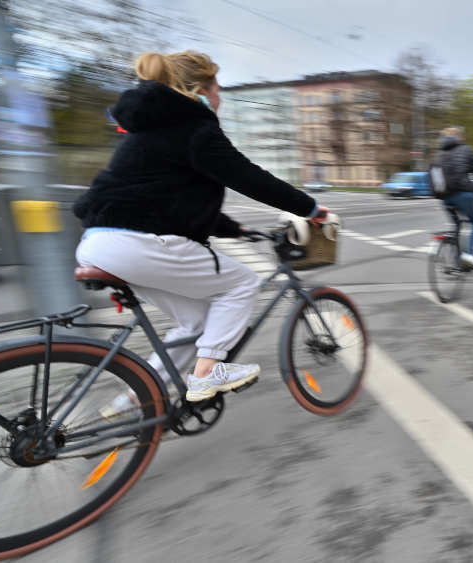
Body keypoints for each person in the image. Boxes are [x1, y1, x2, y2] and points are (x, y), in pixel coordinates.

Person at [73, 50, 328, 413]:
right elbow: (247, 177)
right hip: (142, 243)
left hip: (100, 241)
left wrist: (234, 229)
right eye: (218, 88)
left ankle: (137, 399)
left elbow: (167, 198)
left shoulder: (148, 129)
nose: (220, 97)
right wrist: (310, 209)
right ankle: (207, 373)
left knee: (195, 321)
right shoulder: (195, 127)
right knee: (241, 284)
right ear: (203, 90)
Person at [434, 126, 473, 271]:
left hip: (444, 197)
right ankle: (470, 255)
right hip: (463, 194)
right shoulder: (467, 150)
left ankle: (455, 263)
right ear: (460, 137)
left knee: (456, 226)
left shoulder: (440, 153)